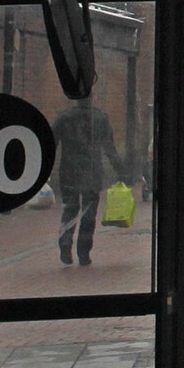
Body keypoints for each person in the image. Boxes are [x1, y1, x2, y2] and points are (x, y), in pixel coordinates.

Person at [52, 96, 125, 267]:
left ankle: (65, 242)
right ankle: (84, 253)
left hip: (68, 171)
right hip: (92, 172)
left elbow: (51, 144)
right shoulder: (100, 118)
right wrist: (121, 171)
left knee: (70, 208)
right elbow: (109, 148)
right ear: (91, 99)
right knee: (88, 213)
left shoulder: (64, 117)